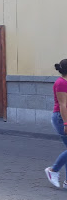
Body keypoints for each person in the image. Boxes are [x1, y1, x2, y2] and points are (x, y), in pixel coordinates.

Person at [45, 59, 67, 188]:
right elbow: (63, 104)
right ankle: (53, 170)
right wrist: (66, 123)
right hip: (61, 118)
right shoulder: (61, 83)